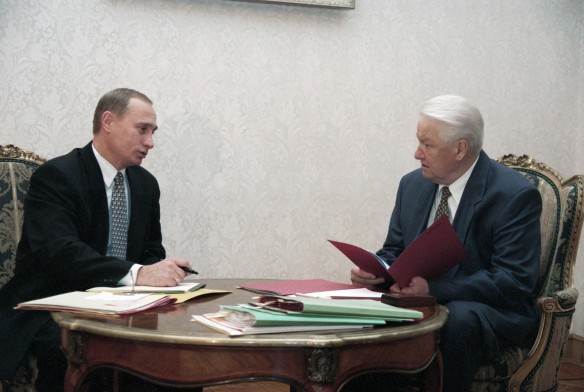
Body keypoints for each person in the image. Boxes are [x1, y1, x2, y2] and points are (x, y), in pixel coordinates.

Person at [0, 88, 195, 391]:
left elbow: (151, 250)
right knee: (86, 355)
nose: (150, 142)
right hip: (53, 306)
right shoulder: (58, 176)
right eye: (142, 129)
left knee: (180, 357)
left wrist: (162, 272)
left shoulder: (145, 184)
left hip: (122, 308)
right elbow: (60, 252)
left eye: (153, 132)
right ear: (108, 121)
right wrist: (137, 273)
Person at [350, 95, 542, 391]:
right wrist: (377, 269)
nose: (417, 153)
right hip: (418, 299)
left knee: (457, 318)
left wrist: (434, 289)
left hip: (486, 310)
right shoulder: (411, 185)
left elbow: (513, 281)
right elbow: (394, 249)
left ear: (460, 149)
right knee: (357, 309)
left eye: (427, 145)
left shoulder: (512, 196)